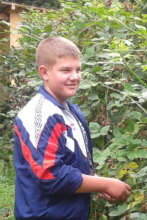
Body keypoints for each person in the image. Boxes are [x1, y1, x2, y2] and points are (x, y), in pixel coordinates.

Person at [13, 36, 131, 220]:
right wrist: (104, 184)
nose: (75, 76)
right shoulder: (39, 116)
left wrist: (97, 183)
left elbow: (72, 162)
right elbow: (51, 176)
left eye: (78, 69)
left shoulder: (70, 111)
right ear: (44, 72)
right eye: (65, 70)